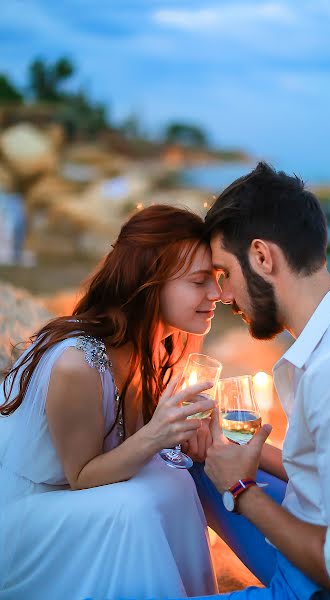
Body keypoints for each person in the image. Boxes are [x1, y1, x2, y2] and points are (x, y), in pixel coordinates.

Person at [185, 162, 330, 600]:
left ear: (263, 257)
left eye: (225, 273)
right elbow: (325, 472)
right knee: (191, 460)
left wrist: (242, 490)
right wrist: (253, 457)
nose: (222, 296)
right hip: (308, 532)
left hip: (318, 587)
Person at [0, 205, 221, 599]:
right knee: (133, 507)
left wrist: (187, 433)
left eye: (217, 279)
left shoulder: (157, 346)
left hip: (73, 498)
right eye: (200, 281)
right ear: (149, 282)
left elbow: (132, 443)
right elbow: (81, 477)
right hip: (28, 517)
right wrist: (158, 435)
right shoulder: (78, 363)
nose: (217, 295)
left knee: (177, 483)